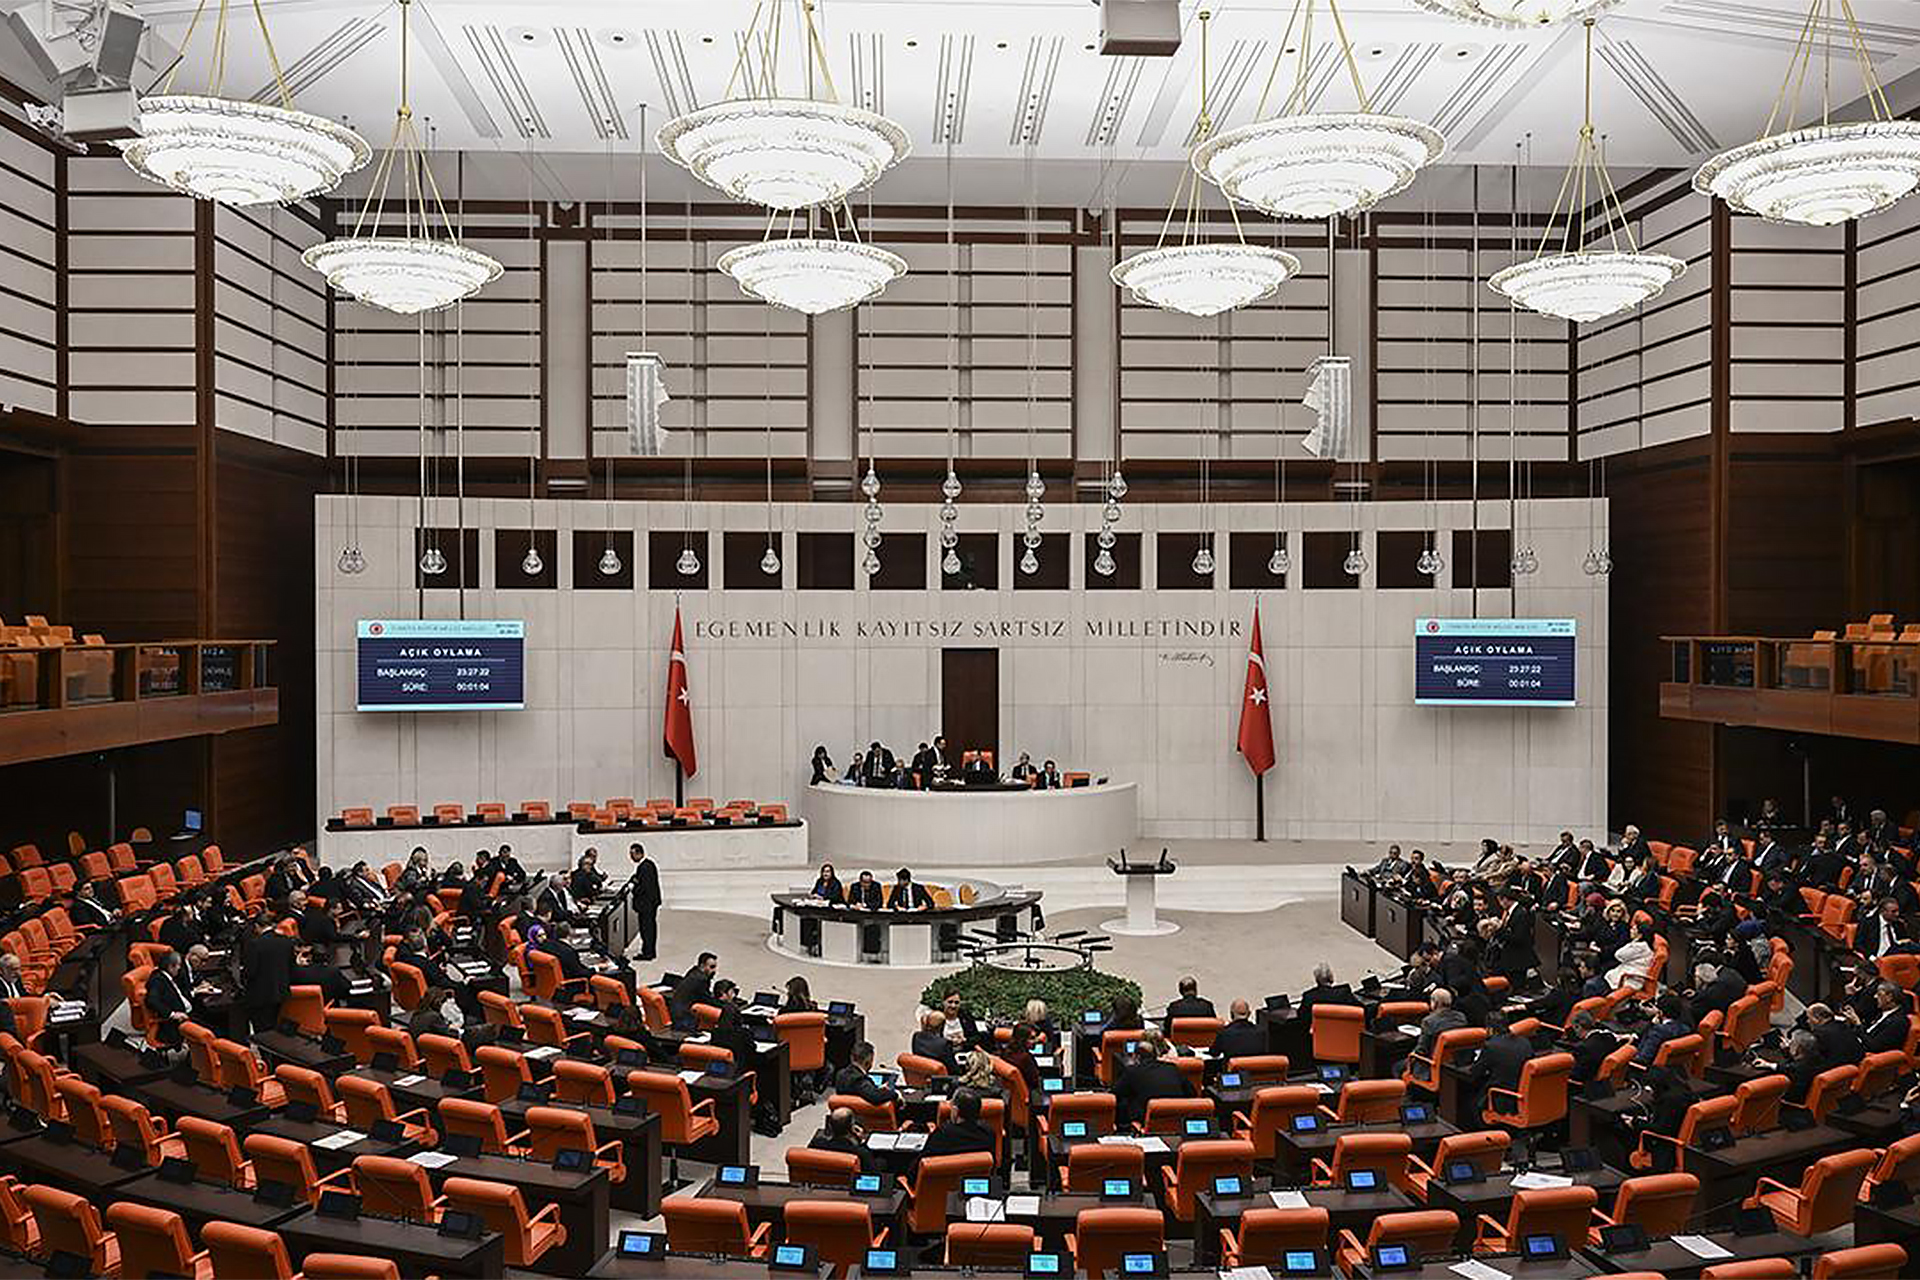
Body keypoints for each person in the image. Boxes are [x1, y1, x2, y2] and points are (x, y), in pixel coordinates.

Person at [1112, 1031, 1191, 1127]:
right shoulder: (1172, 1067)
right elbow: (1191, 1092)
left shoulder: (1132, 1071)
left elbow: (1114, 1095)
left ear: (1137, 1057)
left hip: (1147, 1119)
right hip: (1178, 1119)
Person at [1464, 1010, 1532, 1114]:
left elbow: (1474, 1072)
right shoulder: (1524, 1041)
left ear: (1490, 1029)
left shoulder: (1491, 1046)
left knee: (1471, 1103)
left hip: (1503, 1098)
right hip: (1523, 1093)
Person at [240, 915, 297, 1034]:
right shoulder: (286, 941)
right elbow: (292, 968)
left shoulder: (254, 944)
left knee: (262, 1032)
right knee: (276, 1029)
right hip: (281, 992)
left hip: (260, 996)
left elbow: (250, 972)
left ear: (257, 926)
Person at [922, 1088, 996, 1158]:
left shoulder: (943, 1134)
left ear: (956, 1111)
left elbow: (922, 1161)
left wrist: (933, 1134)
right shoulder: (988, 1132)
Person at [807, 1106, 882, 1175]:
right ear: (852, 1128)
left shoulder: (816, 1144)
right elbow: (874, 1174)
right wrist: (862, 1142)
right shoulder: (861, 1153)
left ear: (830, 1126)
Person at [144, 949, 192, 1047]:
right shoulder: (157, 980)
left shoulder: (167, 976)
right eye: (178, 965)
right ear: (170, 967)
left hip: (187, 1012)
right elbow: (151, 1000)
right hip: (177, 1022)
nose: (179, 968)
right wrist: (172, 1014)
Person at [832, 1042, 900, 1109]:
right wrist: (895, 1094)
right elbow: (875, 1097)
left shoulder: (840, 1074)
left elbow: (863, 1092)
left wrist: (877, 1090)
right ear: (868, 1062)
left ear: (851, 1057)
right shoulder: (858, 1079)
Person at [1632, 993, 1692, 1066]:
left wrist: (1651, 1025)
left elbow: (1642, 1058)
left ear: (1661, 1012)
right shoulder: (1686, 1029)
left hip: (1646, 1069)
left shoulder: (1658, 1031)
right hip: (1673, 1069)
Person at [1563, 1010, 1620, 1085]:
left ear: (1578, 1027)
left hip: (1582, 1084)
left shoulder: (1585, 1048)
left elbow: (1577, 1075)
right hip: (1604, 1083)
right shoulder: (1610, 1037)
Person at [627, 844, 661, 961]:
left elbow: (644, 887)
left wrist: (633, 888)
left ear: (639, 853)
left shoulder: (645, 867)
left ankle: (648, 952)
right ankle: (649, 950)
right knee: (649, 927)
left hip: (646, 904)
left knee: (646, 928)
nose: (631, 857)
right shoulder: (648, 865)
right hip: (650, 903)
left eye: (632, 854)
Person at [1412, 988, 1467, 1059]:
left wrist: (1411, 1055)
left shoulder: (1429, 1021)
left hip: (1432, 1061)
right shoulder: (1461, 1017)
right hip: (1458, 1061)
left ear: (1435, 1003)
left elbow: (1421, 1050)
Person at [1688, 960, 1747, 1026]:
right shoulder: (1732, 973)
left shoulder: (1710, 995)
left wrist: (1700, 988)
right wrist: (1697, 993)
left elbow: (1692, 1012)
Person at [1805, 1003, 1865, 1067]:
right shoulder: (1843, 1025)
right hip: (1860, 1064)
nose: (1808, 1021)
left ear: (1818, 1018)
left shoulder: (1818, 1036)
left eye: (1809, 1018)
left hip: (1843, 1068)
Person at [1859, 981, 1911, 1054]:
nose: (1875, 996)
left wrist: (1858, 1025)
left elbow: (1874, 1046)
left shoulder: (1898, 1022)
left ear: (1889, 997)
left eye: (1879, 994)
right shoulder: (1881, 1013)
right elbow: (1868, 1031)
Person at [671, 952, 717, 1030]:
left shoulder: (693, 972)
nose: (714, 970)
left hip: (676, 1011)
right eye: (712, 967)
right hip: (684, 1018)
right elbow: (707, 999)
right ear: (702, 966)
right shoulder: (702, 979)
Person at [1783, 1030, 1824, 1105]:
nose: (1789, 1043)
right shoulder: (1819, 1059)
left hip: (1792, 1103)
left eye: (1792, 1041)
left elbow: (1789, 1067)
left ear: (1798, 1048)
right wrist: (1788, 1051)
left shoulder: (1798, 1069)